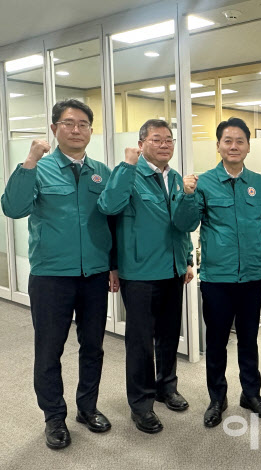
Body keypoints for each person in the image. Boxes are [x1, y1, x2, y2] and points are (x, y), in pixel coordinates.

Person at [1, 99, 117, 450]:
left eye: (83, 123)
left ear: (91, 131)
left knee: (93, 347)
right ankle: (54, 417)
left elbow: (111, 221)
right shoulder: (38, 168)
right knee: (49, 350)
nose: (76, 129)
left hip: (94, 274)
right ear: (54, 129)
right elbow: (14, 207)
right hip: (51, 275)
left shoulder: (102, 172)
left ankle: (87, 408)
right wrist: (30, 161)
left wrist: (113, 265)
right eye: (68, 123)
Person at [173, 117, 261, 428]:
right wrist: (188, 195)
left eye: (240, 141)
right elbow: (185, 225)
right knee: (217, 341)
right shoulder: (202, 182)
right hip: (218, 277)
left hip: (251, 277)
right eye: (227, 141)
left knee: (249, 339)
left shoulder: (259, 183)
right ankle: (217, 397)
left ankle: (251, 394)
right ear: (218, 146)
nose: (234, 146)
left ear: (248, 146)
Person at [98, 119, 194, 434]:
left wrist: (188, 260)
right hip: (138, 271)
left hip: (172, 270)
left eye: (169, 139)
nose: (165, 144)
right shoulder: (127, 174)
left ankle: (166, 386)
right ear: (141, 144)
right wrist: (127, 166)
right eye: (156, 139)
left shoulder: (177, 178)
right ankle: (141, 404)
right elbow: (109, 210)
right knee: (140, 342)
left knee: (168, 334)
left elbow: (181, 225)